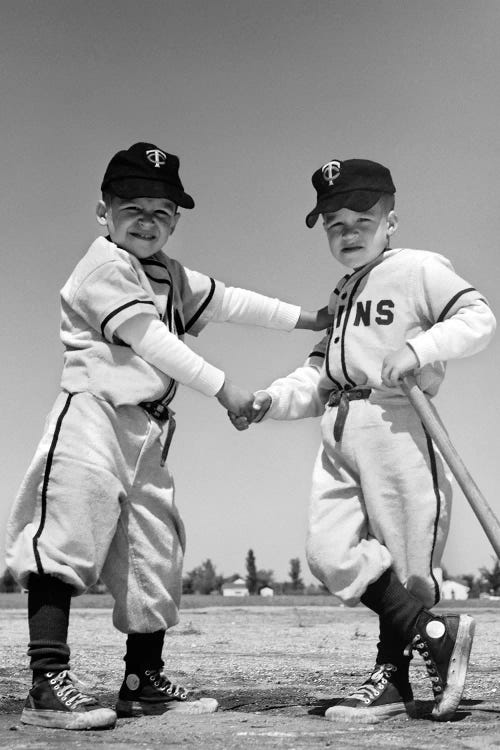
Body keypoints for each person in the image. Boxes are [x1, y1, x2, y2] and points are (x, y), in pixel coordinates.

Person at [5, 142, 332, 731]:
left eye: (161, 210)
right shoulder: (103, 266)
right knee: (65, 538)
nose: (147, 220)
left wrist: (310, 319)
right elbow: (149, 337)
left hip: (149, 431)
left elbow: (232, 300)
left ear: (176, 219)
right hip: (93, 418)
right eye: (132, 206)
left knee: (153, 550)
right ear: (103, 211)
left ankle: (142, 681)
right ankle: (46, 682)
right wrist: (225, 387)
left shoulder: (167, 272)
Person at [231, 158, 496, 723]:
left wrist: (419, 350)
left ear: (391, 220)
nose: (348, 232)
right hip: (341, 424)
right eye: (334, 223)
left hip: (398, 421)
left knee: (407, 562)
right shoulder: (343, 291)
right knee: (328, 552)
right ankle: (434, 634)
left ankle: (393, 679)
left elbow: (477, 317)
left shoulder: (418, 268)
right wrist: (271, 400)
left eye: (361, 218)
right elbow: (318, 373)